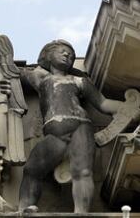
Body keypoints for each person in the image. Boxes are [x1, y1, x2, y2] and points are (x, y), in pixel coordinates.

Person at [12, 40, 124, 213]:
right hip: (55, 134)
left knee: (83, 171)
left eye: (71, 54)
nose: (67, 55)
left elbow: (104, 104)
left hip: (81, 127)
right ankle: (23, 209)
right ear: (47, 56)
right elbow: (11, 74)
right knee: (31, 169)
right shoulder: (39, 78)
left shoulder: (79, 81)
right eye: (62, 51)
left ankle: (81, 212)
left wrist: (126, 107)